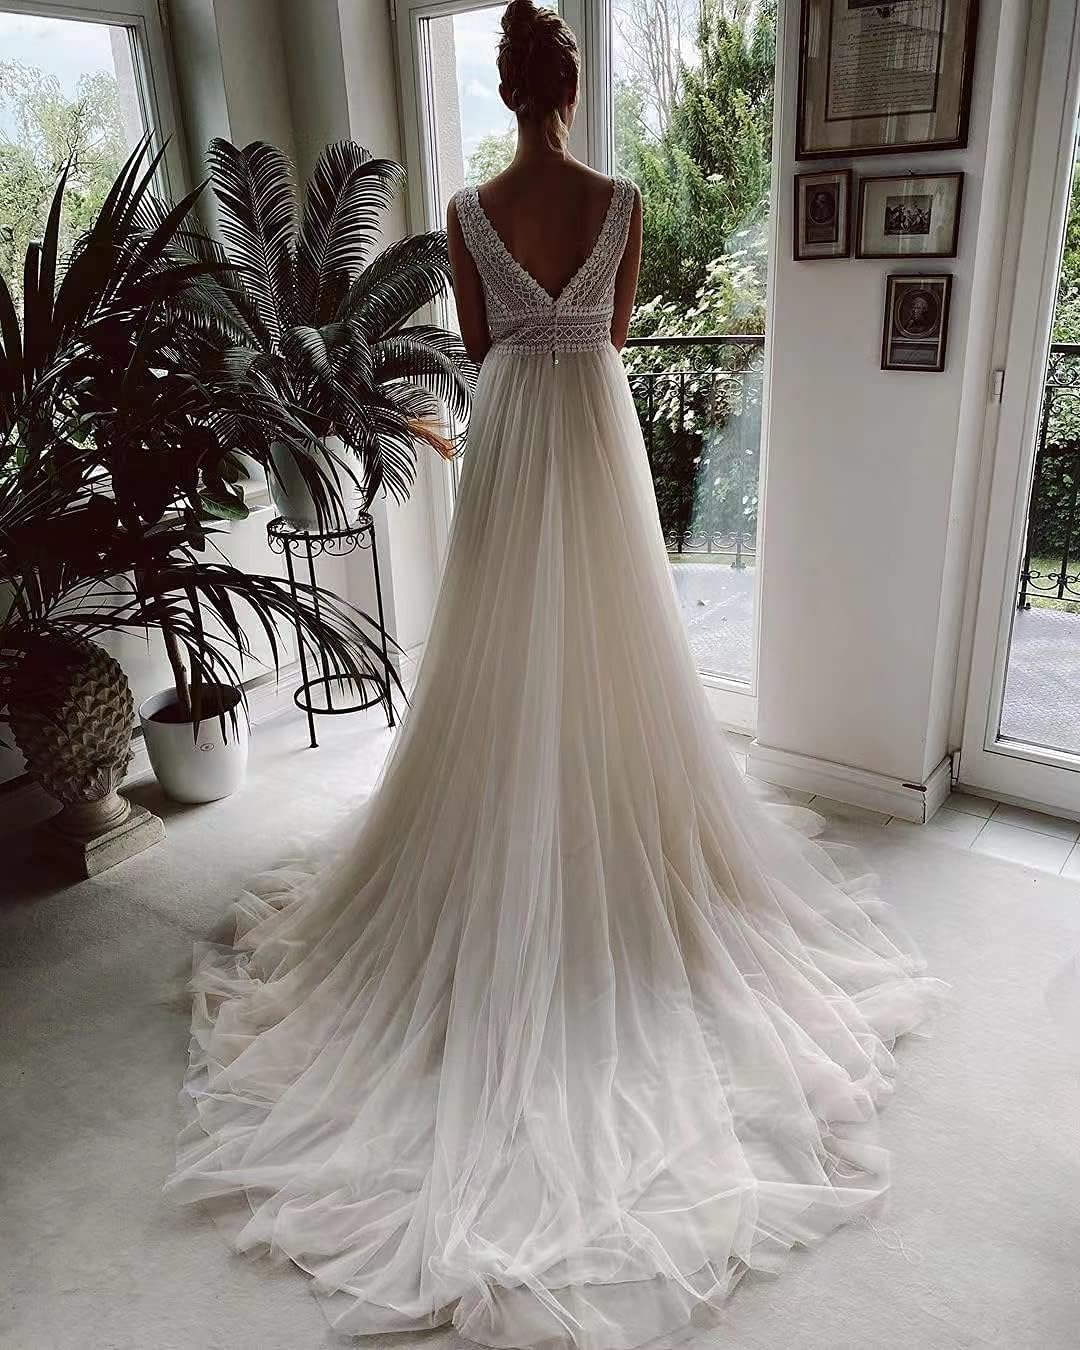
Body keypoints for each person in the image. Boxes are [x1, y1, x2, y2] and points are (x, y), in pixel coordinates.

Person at [166, 3, 942, 1346]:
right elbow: (616, 332)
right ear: (569, 87)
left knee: (506, 640)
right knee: (612, 640)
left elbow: (479, 348)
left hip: (518, 434)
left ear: (508, 86)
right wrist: (572, 332)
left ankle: (526, 829)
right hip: (590, 430)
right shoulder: (620, 202)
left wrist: (533, 339)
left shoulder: (471, 211)